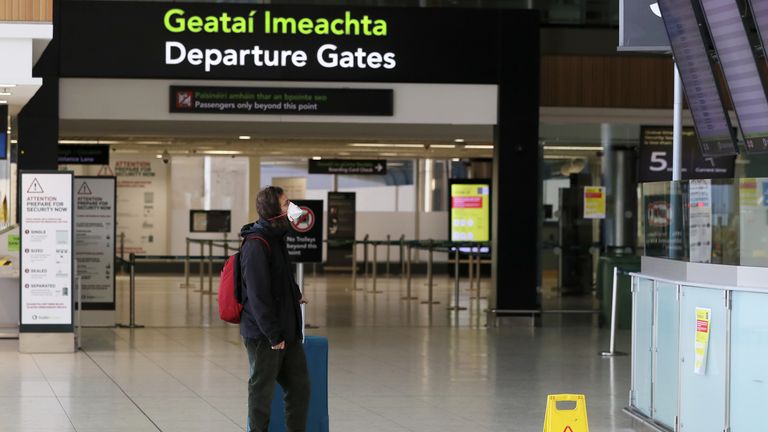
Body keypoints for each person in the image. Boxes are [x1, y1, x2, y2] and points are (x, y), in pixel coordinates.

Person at [240, 186, 310, 432]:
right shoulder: (256, 244)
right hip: (265, 336)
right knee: (261, 393)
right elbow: (258, 295)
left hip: (286, 331)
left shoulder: (276, 237)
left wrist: (295, 294)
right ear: (273, 211)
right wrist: (273, 334)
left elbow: (280, 277)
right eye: (285, 204)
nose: (291, 208)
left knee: (300, 387)